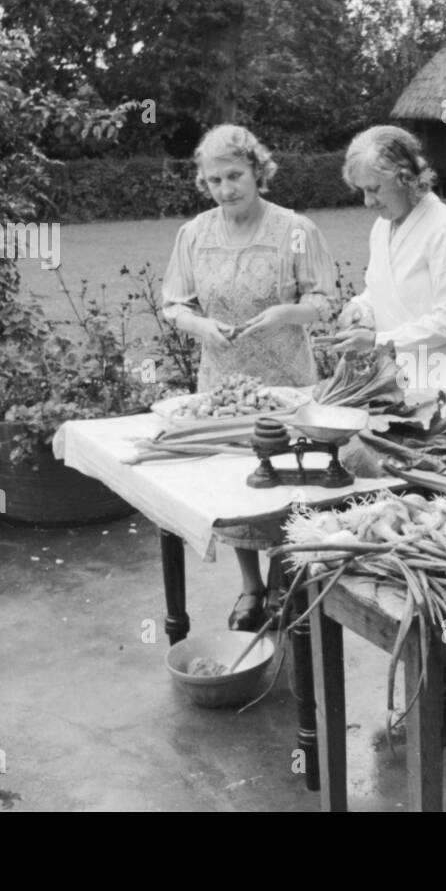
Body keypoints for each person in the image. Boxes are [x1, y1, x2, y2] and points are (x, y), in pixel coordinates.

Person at [163, 124, 338, 630]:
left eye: (235, 176)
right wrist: (199, 324)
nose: (225, 189)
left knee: (287, 484)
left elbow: (323, 303)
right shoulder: (193, 234)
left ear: (258, 171)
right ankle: (251, 588)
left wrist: (286, 313)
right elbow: (174, 303)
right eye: (214, 180)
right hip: (224, 387)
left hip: (287, 382)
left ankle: (286, 581)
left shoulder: (296, 230)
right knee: (234, 487)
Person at [331, 125, 446, 430]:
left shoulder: (444, 226)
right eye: (362, 191)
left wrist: (378, 341)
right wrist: (359, 308)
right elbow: (378, 289)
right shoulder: (382, 227)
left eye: (374, 189)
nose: (367, 202)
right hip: (399, 374)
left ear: (405, 178)